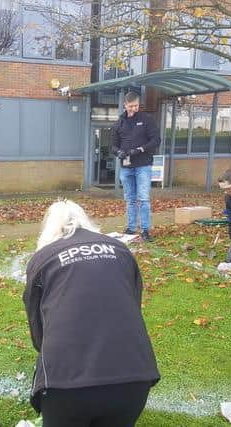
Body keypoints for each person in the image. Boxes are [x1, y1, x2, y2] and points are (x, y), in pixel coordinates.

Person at [24, 200, 160, 427]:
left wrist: (47, 356)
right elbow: (133, 303)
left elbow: (36, 324)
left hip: (65, 386)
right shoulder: (120, 249)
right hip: (134, 378)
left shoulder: (42, 258)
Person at [111, 91, 160, 242]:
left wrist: (140, 149)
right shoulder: (119, 123)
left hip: (143, 165)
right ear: (125, 105)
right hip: (126, 167)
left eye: (136, 106)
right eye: (131, 106)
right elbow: (112, 145)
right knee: (130, 199)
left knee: (143, 198)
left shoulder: (147, 119)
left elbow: (156, 140)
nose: (134, 108)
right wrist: (118, 152)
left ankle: (145, 230)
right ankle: (131, 228)